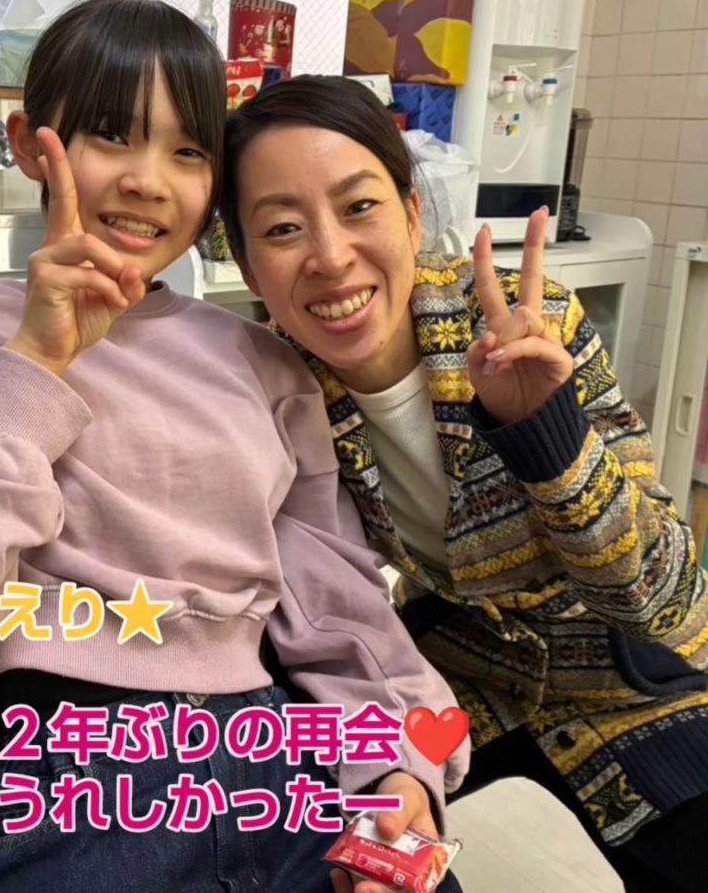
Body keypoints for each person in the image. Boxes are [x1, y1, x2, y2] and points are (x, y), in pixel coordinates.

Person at [0, 1, 467, 893]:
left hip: (277, 764)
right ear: (29, 143)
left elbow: (335, 611)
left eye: (188, 152)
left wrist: (395, 770)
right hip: (66, 778)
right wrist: (32, 365)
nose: (147, 181)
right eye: (109, 135)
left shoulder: (259, 361)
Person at [219, 74, 708, 893]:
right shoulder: (273, 388)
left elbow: (669, 597)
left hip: (625, 675)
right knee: (332, 851)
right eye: (283, 228)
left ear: (413, 215)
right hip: (457, 672)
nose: (330, 256)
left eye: (359, 207)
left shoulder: (523, 328)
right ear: (246, 262)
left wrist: (547, 437)